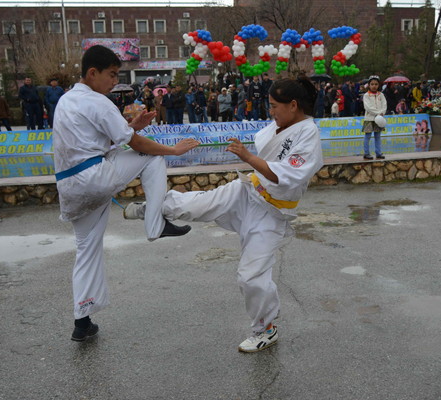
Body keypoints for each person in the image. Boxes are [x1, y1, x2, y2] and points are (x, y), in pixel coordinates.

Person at [124, 77, 324, 353]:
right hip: (247, 190)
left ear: (293, 105)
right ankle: (152, 209)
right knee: (196, 204)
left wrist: (248, 157)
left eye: (274, 106)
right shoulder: (283, 125)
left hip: (272, 213)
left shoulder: (309, 134)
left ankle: (265, 329)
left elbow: (288, 175)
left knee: (251, 276)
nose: (271, 111)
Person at [52, 45, 199, 341]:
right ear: (92, 73)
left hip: (70, 187)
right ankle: (155, 225)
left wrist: (131, 126)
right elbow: (136, 144)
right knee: (154, 156)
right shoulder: (98, 101)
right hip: (95, 177)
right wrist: (173, 150)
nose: (114, 81)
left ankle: (82, 321)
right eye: (111, 75)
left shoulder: (66, 100)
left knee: (86, 249)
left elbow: (95, 141)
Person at [362, 75, 387, 160]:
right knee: (367, 136)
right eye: (372, 84)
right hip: (369, 119)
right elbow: (368, 107)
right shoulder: (366, 95)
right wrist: (378, 113)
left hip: (379, 119)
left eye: (376, 84)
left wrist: (382, 112)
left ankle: (378, 153)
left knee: (378, 136)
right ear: (369, 85)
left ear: (378, 85)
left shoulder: (381, 95)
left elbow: (384, 104)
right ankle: (366, 153)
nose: (374, 86)